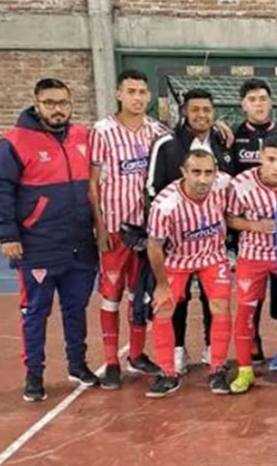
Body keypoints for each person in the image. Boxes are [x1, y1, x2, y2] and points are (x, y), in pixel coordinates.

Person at [0, 78, 100, 401]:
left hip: (80, 244)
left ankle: (77, 365)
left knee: (76, 309)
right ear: (37, 104)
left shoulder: (83, 135)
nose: (58, 109)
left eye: (63, 103)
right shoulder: (14, 142)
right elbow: (2, 190)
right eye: (50, 103)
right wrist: (7, 233)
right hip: (37, 246)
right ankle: (35, 375)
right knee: (35, 312)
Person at [89, 69, 168, 389]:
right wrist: (99, 226)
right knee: (111, 296)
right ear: (119, 94)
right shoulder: (102, 131)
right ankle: (111, 362)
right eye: (131, 91)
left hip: (145, 231)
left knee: (140, 296)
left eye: (142, 92)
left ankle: (136, 354)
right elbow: (92, 183)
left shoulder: (157, 131)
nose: (137, 97)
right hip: (115, 229)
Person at [146, 88, 234, 376]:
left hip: (212, 253)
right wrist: (161, 284)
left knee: (218, 304)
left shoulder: (223, 153)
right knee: (166, 304)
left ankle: (216, 362)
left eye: (207, 110)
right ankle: (169, 366)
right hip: (176, 253)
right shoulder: (165, 201)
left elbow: (245, 190)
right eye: (195, 109)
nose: (203, 179)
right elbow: (154, 243)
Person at [228, 134, 277, 393]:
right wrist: (255, 226)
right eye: (271, 159)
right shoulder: (241, 184)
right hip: (252, 255)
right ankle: (245, 370)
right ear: (261, 158)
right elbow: (230, 218)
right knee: (246, 311)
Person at [231, 78, 277, 369]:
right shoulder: (231, 135)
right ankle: (248, 352)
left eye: (263, 98)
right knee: (248, 304)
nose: (258, 104)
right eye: (252, 99)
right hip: (248, 236)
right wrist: (252, 226)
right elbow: (229, 215)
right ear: (243, 104)